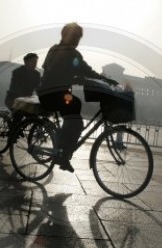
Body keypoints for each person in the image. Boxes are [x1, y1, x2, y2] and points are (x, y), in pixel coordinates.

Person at [38, 22, 117, 173]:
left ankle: (63, 150)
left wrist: (74, 77)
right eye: (74, 36)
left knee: (75, 106)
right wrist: (104, 80)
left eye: (78, 37)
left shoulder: (54, 49)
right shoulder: (71, 54)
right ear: (65, 35)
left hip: (48, 92)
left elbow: (49, 69)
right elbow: (84, 70)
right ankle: (63, 152)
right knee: (77, 120)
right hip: (52, 94)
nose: (76, 40)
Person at [4, 52, 41, 129]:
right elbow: (15, 87)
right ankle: (12, 135)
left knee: (35, 116)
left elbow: (38, 89)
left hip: (26, 101)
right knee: (18, 114)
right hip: (12, 99)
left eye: (36, 62)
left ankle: (20, 129)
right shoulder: (17, 72)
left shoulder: (36, 75)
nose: (34, 64)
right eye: (33, 62)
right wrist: (23, 96)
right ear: (26, 62)